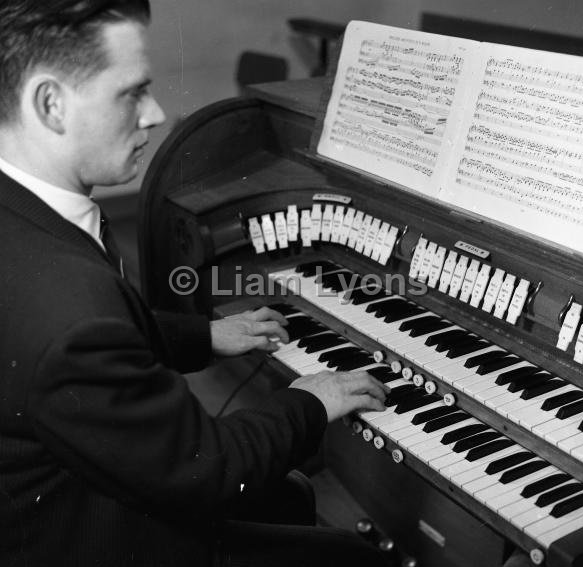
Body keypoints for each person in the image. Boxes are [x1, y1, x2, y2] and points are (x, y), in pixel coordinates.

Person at [0, 1, 390, 566]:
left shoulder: (21, 215)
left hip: (54, 485)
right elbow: (207, 468)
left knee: (287, 497)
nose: (156, 113)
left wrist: (203, 336)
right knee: (358, 559)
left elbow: (82, 354)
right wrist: (307, 400)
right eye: (133, 91)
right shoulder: (70, 307)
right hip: (83, 538)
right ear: (51, 104)